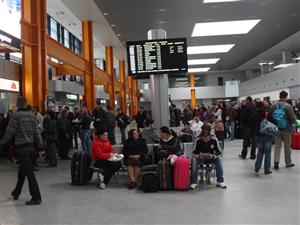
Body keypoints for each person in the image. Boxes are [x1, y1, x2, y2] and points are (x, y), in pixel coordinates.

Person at [0, 96, 43, 205]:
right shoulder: (32, 115)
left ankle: (36, 197)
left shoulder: (16, 116)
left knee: (29, 173)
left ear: (18, 104)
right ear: (25, 103)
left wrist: (1, 143)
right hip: (32, 148)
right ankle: (16, 192)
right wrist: (40, 147)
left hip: (22, 149)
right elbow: (37, 133)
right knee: (22, 172)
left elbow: (9, 132)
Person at [273, 91, 297, 169]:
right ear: (286, 97)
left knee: (277, 146)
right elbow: (293, 119)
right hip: (287, 129)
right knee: (287, 147)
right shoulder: (288, 106)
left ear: (279, 96)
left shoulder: (274, 105)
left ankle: (276, 162)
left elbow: (270, 116)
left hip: (277, 129)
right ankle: (288, 163)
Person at [254, 102, 276, 175]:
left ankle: (257, 168)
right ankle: (267, 169)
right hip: (267, 135)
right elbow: (274, 122)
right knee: (267, 152)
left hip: (258, 135)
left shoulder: (254, 115)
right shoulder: (266, 114)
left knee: (260, 151)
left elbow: (251, 125)